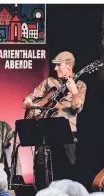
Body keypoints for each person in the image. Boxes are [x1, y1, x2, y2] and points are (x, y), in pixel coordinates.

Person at [23, 51, 86, 188]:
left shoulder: (80, 85)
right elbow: (29, 98)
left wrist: (74, 93)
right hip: (46, 128)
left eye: (58, 65)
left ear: (69, 65)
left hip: (67, 130)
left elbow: (77, 109)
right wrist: (30, 104)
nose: (55, 68)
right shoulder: (49, 82)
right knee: (40, 166)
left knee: (68, 168)